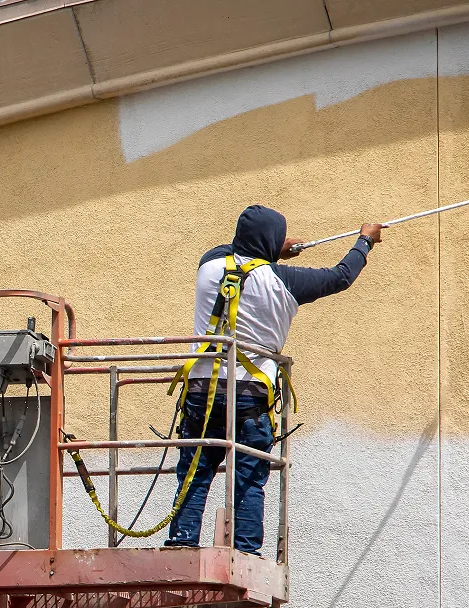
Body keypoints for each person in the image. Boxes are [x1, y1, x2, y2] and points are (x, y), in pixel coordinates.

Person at [164, 205, 383, 555]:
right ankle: (246, 550)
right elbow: (341, 276)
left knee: (194, 472)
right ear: (271, 241)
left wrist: (273, 250)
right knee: (249, 478)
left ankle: (181, 543)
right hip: (250, 397)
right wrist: (364, 241)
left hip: (202, 391)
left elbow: (234, 253)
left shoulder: (208, 264)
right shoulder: (285, 281)